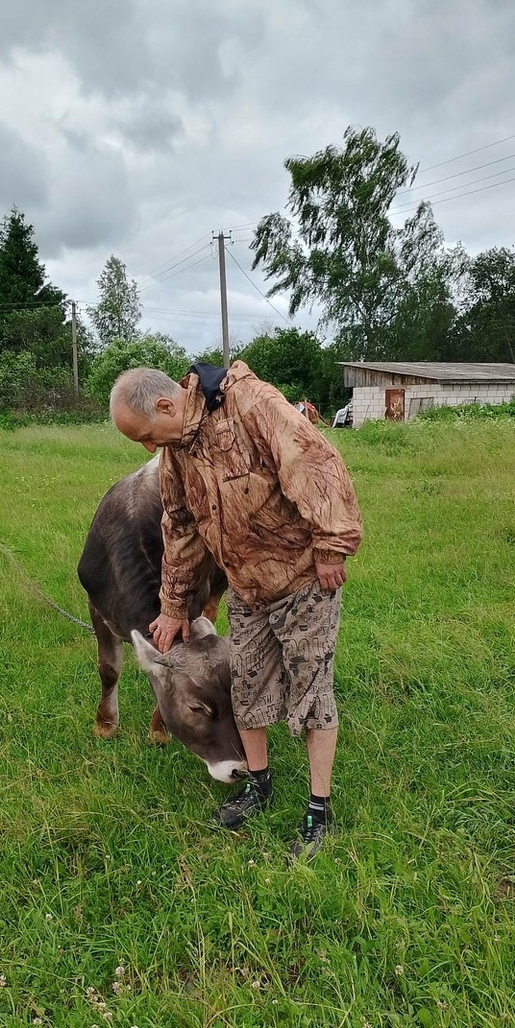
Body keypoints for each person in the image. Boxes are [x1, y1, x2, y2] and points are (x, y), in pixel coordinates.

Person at [109, 361, 363, 860]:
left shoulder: (251, 404)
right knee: (246, 685)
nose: (147, 449)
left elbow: (316, 463)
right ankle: (260, 784)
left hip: (302, 579)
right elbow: (179, 525)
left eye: (145, 436)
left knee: (310, 690)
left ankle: (319, 810)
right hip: (246, 588)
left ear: (165, 406)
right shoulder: (176, 451)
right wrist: (175, 605)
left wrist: (332, 544)